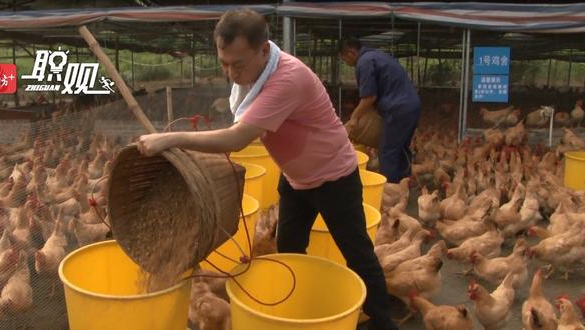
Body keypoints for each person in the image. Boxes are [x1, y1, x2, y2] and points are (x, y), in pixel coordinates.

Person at [137, 9, 397, 330]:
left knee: (357, 253)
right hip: (297, 179)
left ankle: (385, 323)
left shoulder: (288, 78)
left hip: (334, 177)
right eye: (224, 62)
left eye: (239, 63)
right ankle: (296, 312)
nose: (231, 72)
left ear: (264, 50)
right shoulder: (252, 79)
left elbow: (236, 138)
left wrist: (169, 140)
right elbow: (241, 125)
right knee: (288, 248)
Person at [339, 37, 421, 184]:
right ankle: (403, 186)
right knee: (399, 147)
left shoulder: (364, 62)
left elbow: (369, 97)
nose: (347, 63)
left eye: (344, 59)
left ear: (351, 53)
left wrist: (354, 119)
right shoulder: (377, 56)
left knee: (387, 151)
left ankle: (389, 188)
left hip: (398, 108)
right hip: (410, 105)